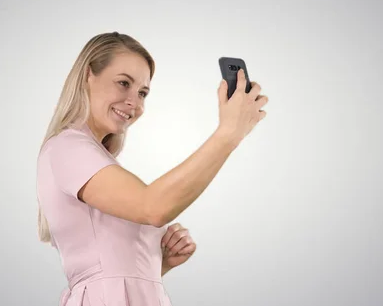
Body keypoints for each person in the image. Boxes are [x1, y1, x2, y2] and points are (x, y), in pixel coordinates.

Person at [36, 31, 268, 306]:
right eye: (123, 83)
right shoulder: (68, 147)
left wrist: (157, 263)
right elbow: (153, 207)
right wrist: (229, 133)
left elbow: (112, 272)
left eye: (142, 93)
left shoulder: (95, 159)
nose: (134, 102)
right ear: (88, 75)